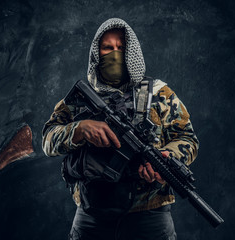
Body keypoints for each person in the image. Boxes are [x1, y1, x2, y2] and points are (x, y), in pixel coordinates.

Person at [42, 18, 199, 240]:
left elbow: (188, 138)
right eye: (107, 48)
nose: (115, 54)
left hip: (149, 216)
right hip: (91, 217)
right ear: (96, 53)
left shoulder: (160, 94)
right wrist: (80, 129)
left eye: (121, 48)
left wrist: (168, 157)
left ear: (131, 53)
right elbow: (48, 140)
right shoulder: (78, 100)